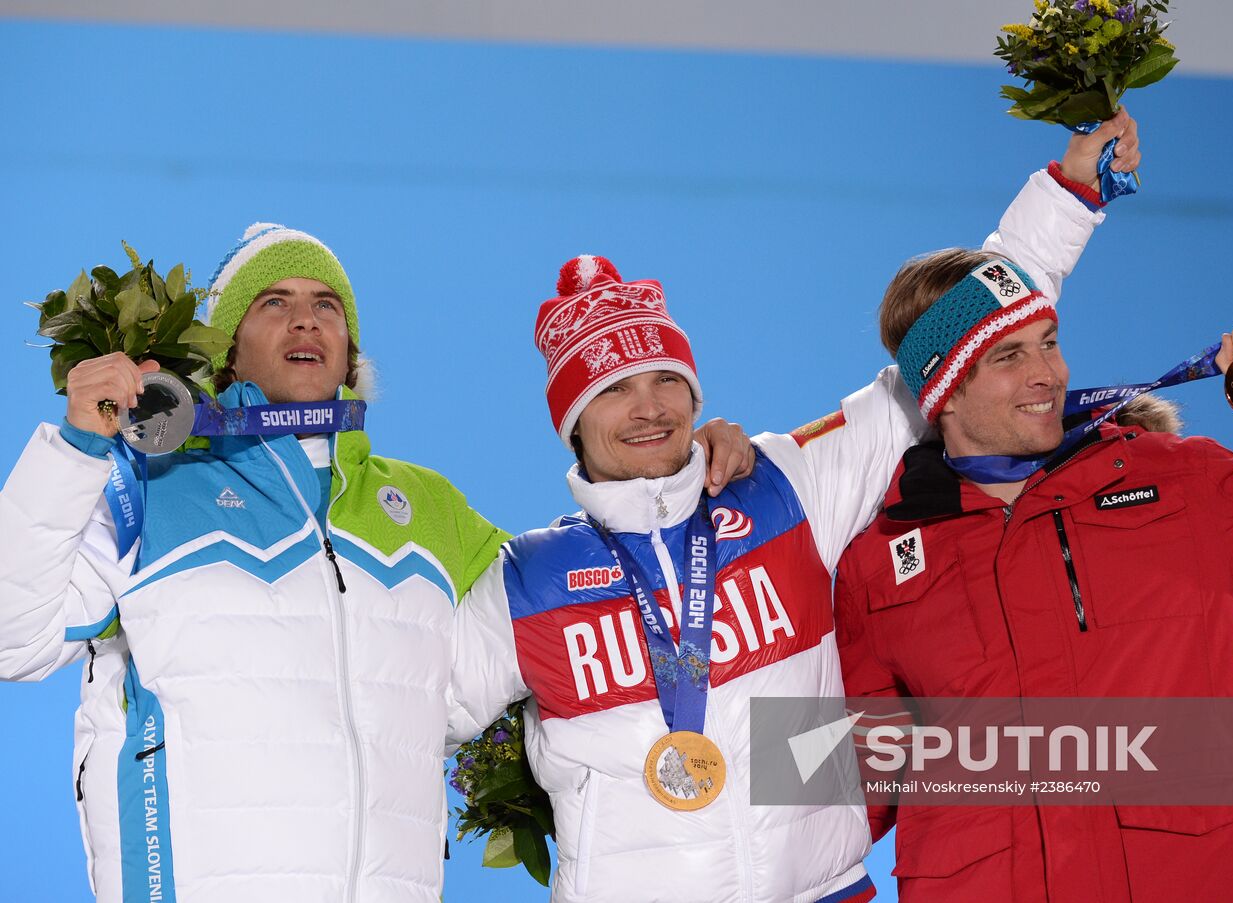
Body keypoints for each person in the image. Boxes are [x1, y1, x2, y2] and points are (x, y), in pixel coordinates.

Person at [443, 115, 1142, 901]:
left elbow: (959, 341)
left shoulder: (783, 486)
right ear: (572, 421)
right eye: (612, 390)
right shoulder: (528, 582)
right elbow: (389, 710)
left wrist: (1068, 195)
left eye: (665, 379)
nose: (649, 408)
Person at [0, 223, 749, 903]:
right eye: (274, 302)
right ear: (226, 349)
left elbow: (604, 602)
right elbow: (13, 637)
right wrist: (77, 448)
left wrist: (687, 472)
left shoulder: (428, 509)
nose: (306, 318)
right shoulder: (148, 488)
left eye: (329, 305)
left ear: (352, 351)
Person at [832, 248, 1233, 902]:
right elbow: (849, 792)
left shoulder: (1180, 482)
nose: (1047, 373)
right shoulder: (879, 563)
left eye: (1048, 342)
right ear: (945, 389)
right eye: (1009, 357)